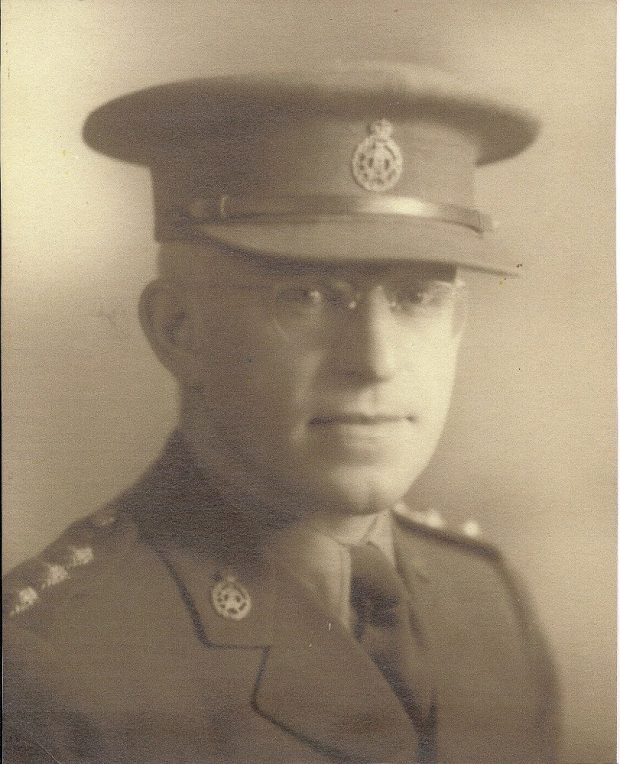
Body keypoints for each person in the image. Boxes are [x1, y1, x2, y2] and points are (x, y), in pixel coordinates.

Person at [3, 61, 559, 763]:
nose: (377, 362)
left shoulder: (491, 608)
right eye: (309, 296)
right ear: (180, 331)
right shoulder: (55, 670)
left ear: (457, 325)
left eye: (418, 296)